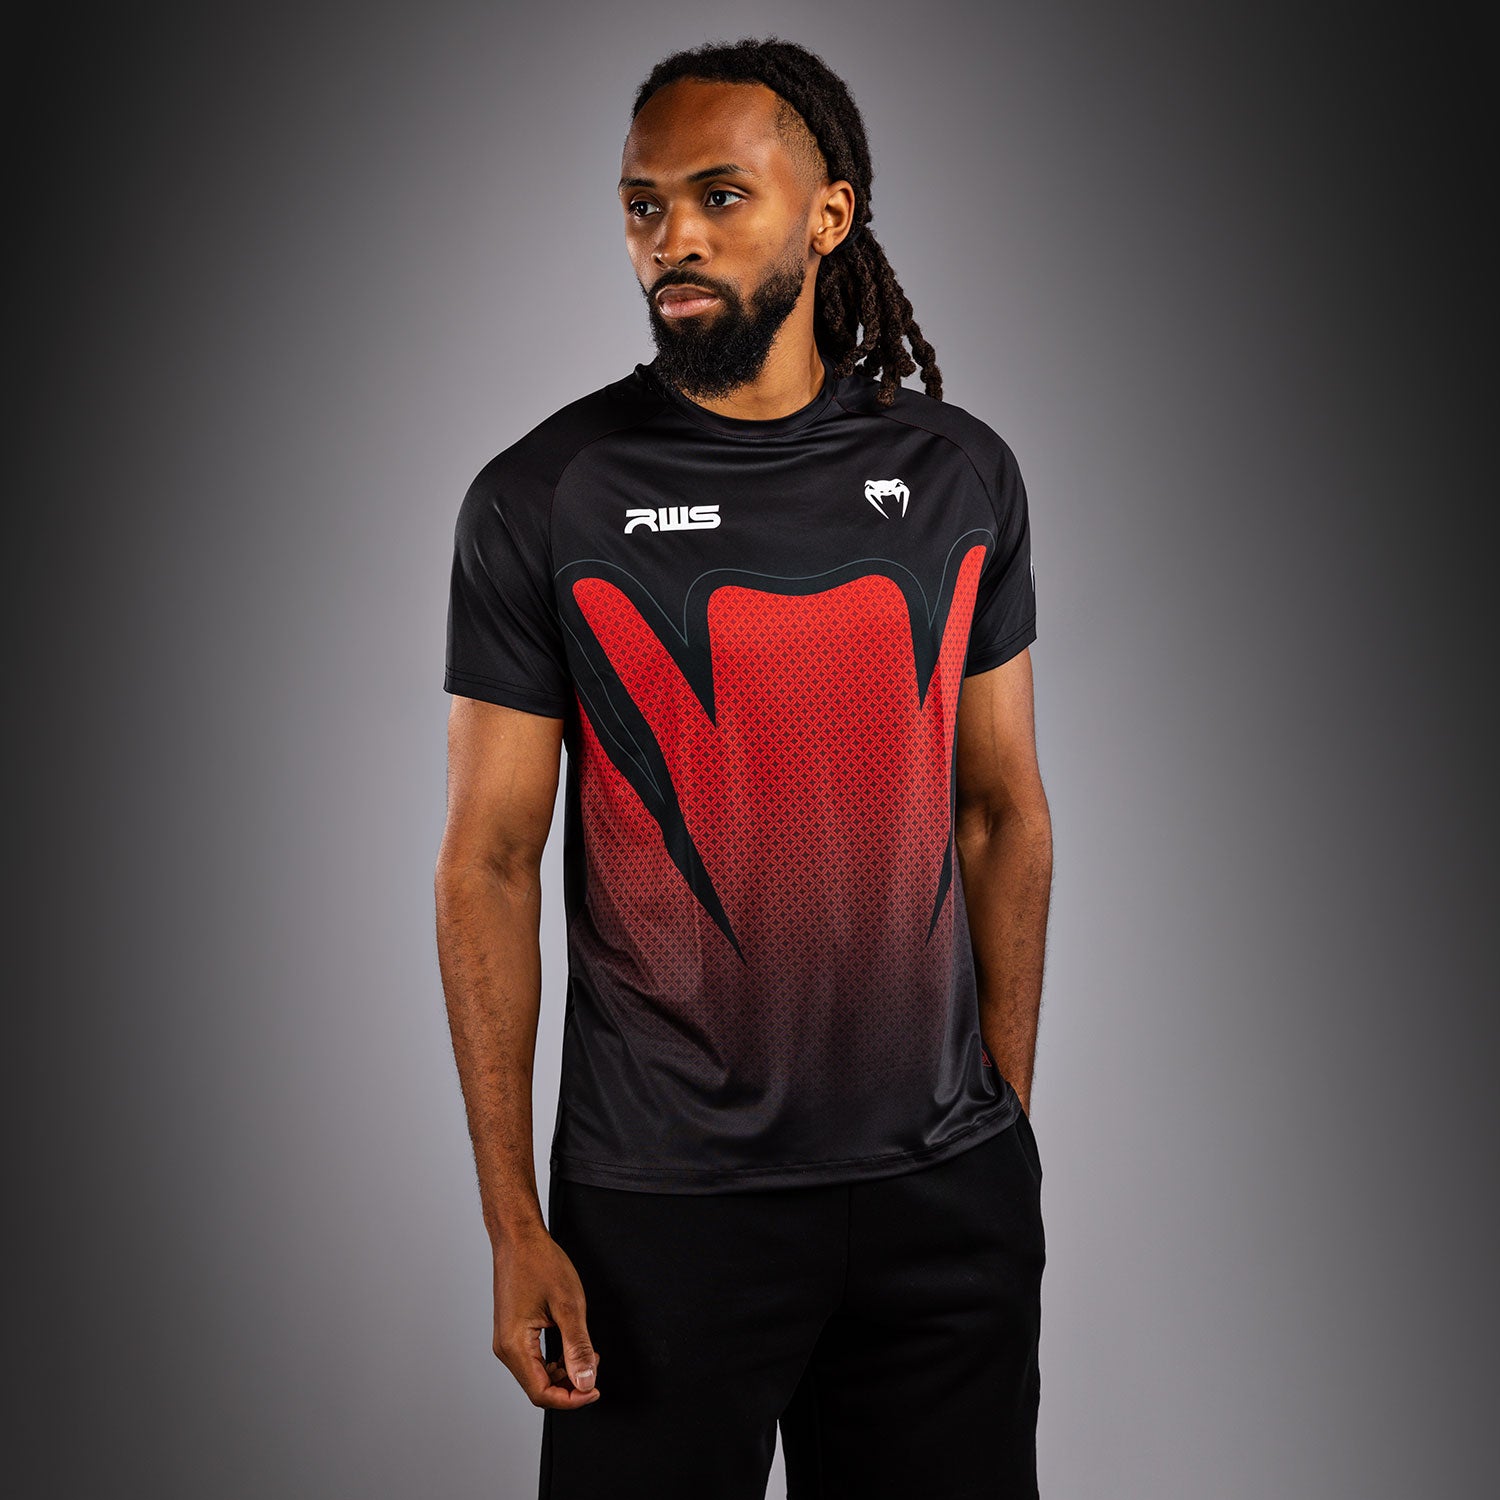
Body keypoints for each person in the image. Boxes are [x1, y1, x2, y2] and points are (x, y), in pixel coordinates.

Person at [434, 35, 1052, 1500]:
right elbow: (488, 863)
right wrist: (513, 1223)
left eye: (720, 197)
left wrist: (1001, 1131)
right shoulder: (544, 495)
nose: (675, 239)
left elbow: (998, 812)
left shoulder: (960, 475)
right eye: (644, 205)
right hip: (661, 1216)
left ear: (828, 216)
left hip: (940, 1211)